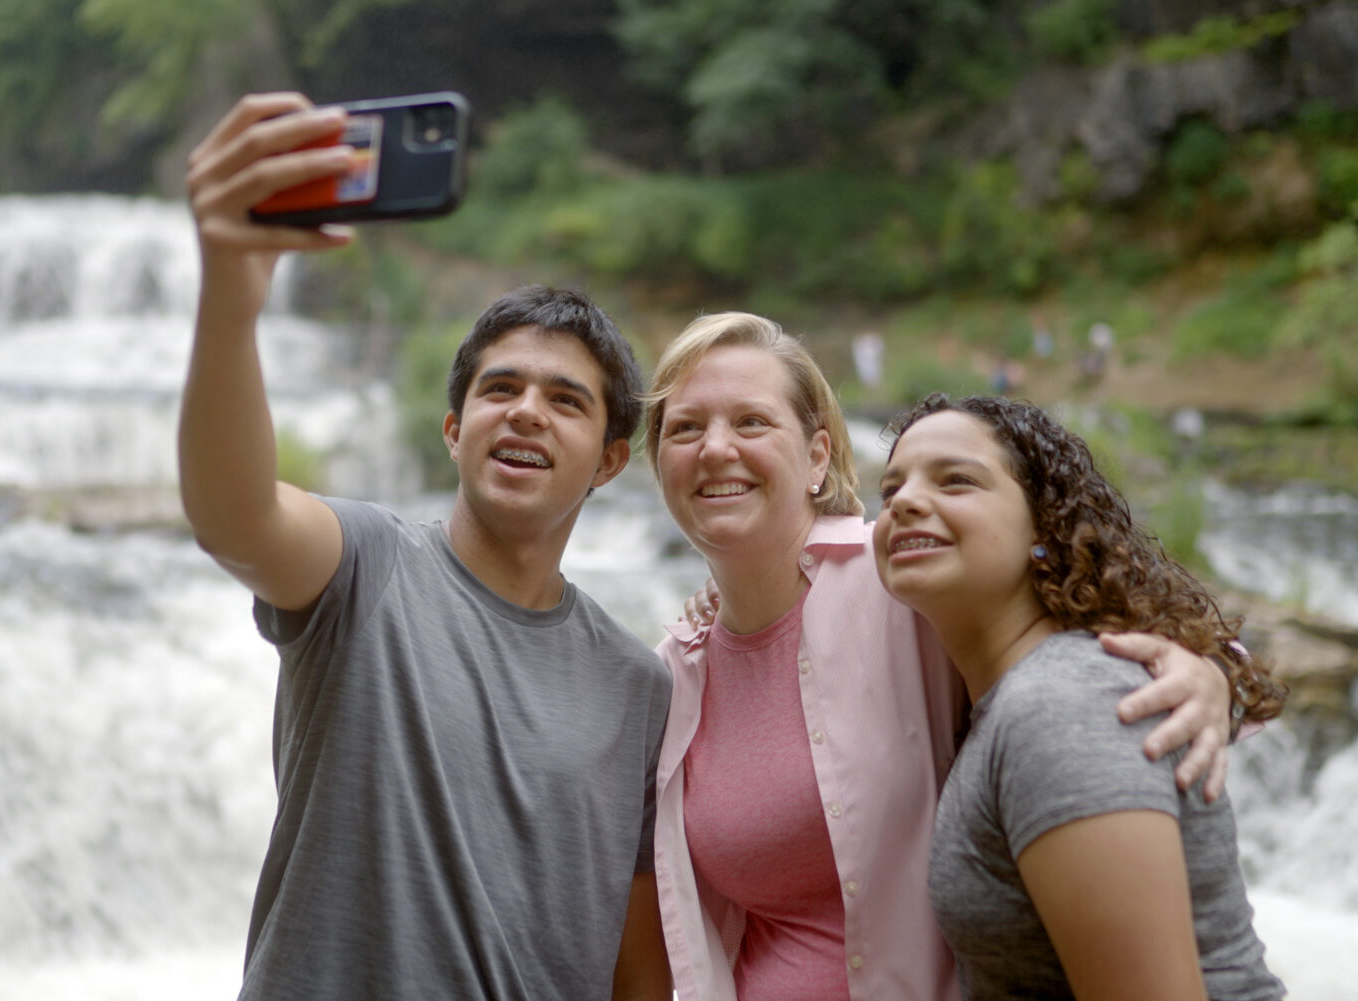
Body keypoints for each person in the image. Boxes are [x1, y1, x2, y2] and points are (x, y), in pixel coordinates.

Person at [179, 92, 672, 1001]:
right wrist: (230, 303)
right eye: (500, 389)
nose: (526, 409)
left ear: (609, 460)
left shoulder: (640, 687)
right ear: (454, 429)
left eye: (565, 400)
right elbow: (234, 517)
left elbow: (635, 964)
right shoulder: (362, 566)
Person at [641, 312, 1241, 1001]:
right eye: (684, 427)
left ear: (815, 456)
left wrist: (1209, 672)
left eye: (750, 422)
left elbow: (1121, 625)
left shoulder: (909, 571)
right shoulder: (673, 671)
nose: (715, 448)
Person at [873, 392, 1287, 1000]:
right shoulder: (1013, 696)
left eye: (957, 481)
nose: (905, 501)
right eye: (889, 492)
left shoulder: (1064, 704)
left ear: (1044, 527)